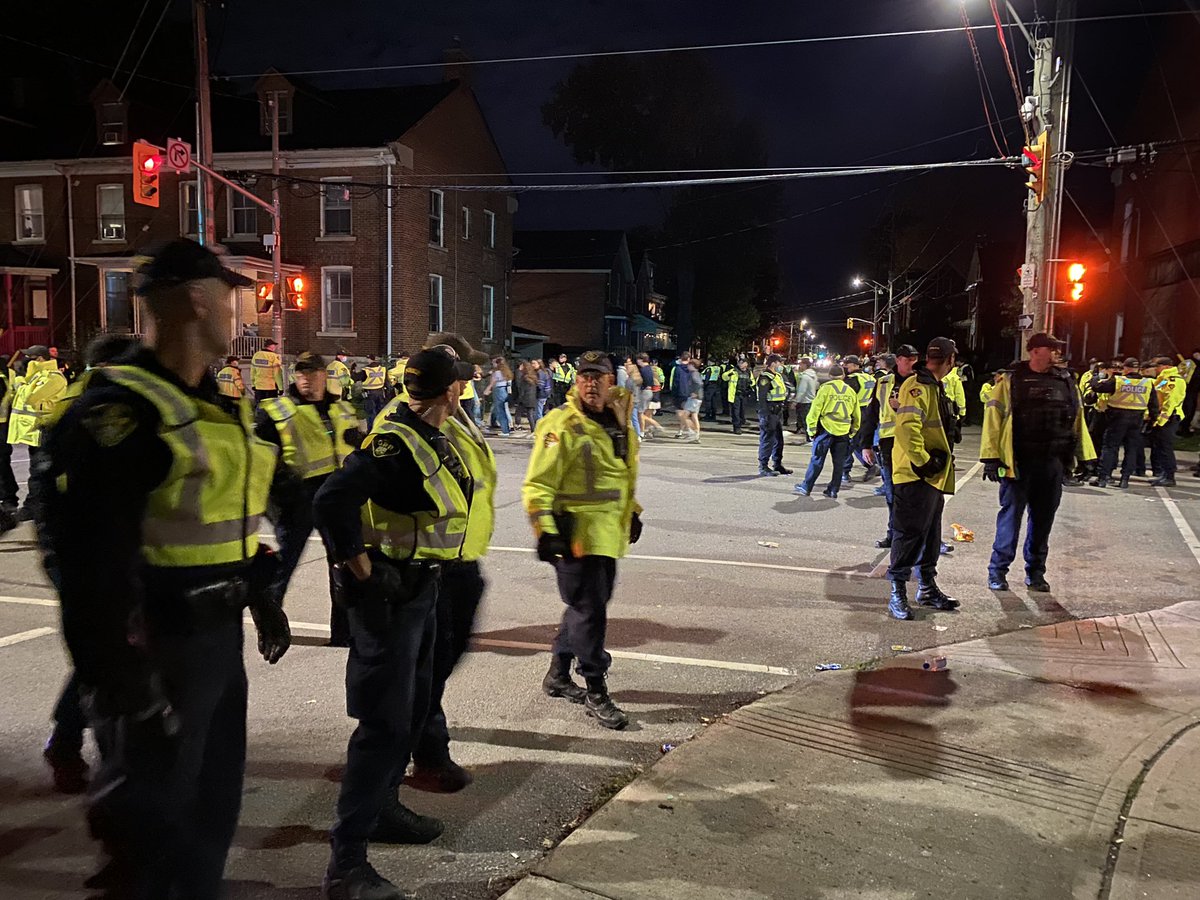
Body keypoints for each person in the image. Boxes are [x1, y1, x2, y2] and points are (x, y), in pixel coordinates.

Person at [33, 239, 290, 897]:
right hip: (157, 644)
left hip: (215, 638)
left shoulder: (214, 405)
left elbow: (222, 521)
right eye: (234, 296)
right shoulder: (123, 414)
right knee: (149, 831)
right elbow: (88, 565)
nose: (244, 311)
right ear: (199, 299)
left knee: (207, 819)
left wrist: (260, 595)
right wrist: (120, 682)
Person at [314, 347, 476, 900]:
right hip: (391, 598)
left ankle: (382, 810)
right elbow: (332, 499)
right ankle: (346, 863)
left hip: (423, 590)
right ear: (449, 389)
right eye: (460, 383)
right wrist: (360, 567)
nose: (465, 391)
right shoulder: (394, 441)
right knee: (383, 725)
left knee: (411, 709)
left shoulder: (430, 433)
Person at [40, 332, 141, 795]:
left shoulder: (91, 403)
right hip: (86, 553)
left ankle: (91, 746)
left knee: (109, 649)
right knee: (103, 652)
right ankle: (71, 743)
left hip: (93, 549)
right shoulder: (96, 411)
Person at [524, 350, 641, 731]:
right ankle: (595, 688)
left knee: (585, 607)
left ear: (612, 382)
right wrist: (546, 534)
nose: (591, 383)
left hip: (607, 534)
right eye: (584, 376)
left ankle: (558, 675)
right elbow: (537, 485)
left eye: (598, 376)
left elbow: (620, 474)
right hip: (574, 537)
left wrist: (633, 512)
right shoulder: (561, 425)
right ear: (576, 382)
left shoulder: (617, 420)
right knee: (590, 612)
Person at [407, 333, 496, 795]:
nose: (474, 377)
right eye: (466, 370)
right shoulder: (417, 422)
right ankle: (427, 754)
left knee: (438, 662)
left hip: (460, 561)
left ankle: (416, 742)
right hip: (433, 565)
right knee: (427, 669)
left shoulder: (456, 417)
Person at [256, 351, 362, 645]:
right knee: (284, 565)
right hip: (297, 499)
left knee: (342, 566)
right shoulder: (278, 411)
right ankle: (268, 621)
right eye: (300, 374)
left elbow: (355, 449)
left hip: (334, 498)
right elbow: (261, 458)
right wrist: (277, 491)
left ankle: (343, 633)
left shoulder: (341, 410)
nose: (306, 380)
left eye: (312, 374)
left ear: (323, 376)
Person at [982, 333, 1095, 593]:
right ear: (1033, 351)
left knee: (1043, 521)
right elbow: (993, 419)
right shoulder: (1011, 381)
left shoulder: (1066, 381)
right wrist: (990, 457)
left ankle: (1035, 572)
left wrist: (1084, 457)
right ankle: (997, 571)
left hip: (1053, 462)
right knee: (1010, 519)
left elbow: (1076, 419)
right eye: (1051, 349)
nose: (1056, 353)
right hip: (1019, 463)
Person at [883, 337, 961, 620]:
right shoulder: (917, 387)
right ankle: (898, 592)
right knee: (908, 535)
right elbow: (906, 431)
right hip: (915, 475)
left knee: (930, 535)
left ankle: (927, 587)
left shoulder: (932, 386)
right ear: (950, 360)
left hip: (931, 477)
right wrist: (925, 463)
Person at [860, 345, 919, 549]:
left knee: (917, 493)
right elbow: (872, 413)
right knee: (892, 493)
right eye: (909, 359)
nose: (913, 363)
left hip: (914, 443)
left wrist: (901, 408)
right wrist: (866, 444)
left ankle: (919, 536)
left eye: (915, 359)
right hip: (889, 443)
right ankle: (894, 534)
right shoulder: (883, 382)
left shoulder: (923, 381)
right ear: (899, 360)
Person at [6, 344, 68, 521]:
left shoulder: (53, 378)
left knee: (39, 473)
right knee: (39, 472)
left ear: (40, 359)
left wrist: (21, 382)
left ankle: (33, 508)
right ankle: (40, 507)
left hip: (44, 429)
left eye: (30, 358)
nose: (26, 361)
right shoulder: (36, 377)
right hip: (34, 432)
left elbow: (30, 398)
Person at [1089, 358, 1158, 489]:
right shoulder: (1147, 382)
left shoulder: (1118, 380)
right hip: (1137, 419)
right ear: (1137, 369)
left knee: (1110, 447)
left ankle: (1103, 478)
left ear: (1126, 368)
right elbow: (1153, 404)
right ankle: (1124, 479)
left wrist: (1095, 377)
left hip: (1117, 418)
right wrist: (1153, 420)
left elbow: (1097, 387)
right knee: (1131, 449)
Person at [794, 364, 859, 498]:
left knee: (817, 460)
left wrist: (811, 430)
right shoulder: (850, 391)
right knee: (839, 463)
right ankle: (833, 489)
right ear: (843, 375)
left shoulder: (825, 389)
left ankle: (807, 487)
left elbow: (814, 411)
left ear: (830, 375)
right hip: (843, 432)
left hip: (826, 430)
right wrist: (853, 431)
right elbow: (857, 415)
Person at [1148, 355, 1186, 486]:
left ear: (1167, 366)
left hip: (1170, 418)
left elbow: (1171, 402)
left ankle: (1170, 476)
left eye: (1158, 366)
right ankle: (1163, 474)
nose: (1155, 369)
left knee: (1166, 447)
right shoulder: (1163, 380)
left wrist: (1162, 420)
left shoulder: (1174, 380)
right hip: (1161, 418)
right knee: (1160, 447)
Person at [756, 354, 791, 476]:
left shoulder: (778, 376)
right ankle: (763, 466)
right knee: (767, 439)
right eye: (779, 362)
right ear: (773, 363)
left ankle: (777, 464)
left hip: (777, 411)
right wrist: (764, 414)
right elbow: (762, 397)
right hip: (769, 412)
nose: (781, 365)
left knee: (778, 440)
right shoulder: (765, 377)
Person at [0, 354, 17, 523]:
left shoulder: (3, 373)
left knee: (2, 461)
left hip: (2, 422)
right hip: (4, 421)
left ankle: (8, 499)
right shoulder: (8, 372)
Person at [723, 357, 755, 435]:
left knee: (742, 411)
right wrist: (729, 374)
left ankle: (740, 424)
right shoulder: (734, 370)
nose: (741, 364)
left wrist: (751, 383)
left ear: (746, 364)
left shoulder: (749, 372)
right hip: (735, 394)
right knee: (735, 411)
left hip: (744, 394)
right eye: (740, 363)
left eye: (743, 363)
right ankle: (737, 427)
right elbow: (724, 377)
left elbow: (753, 382)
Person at [484, 356, 513, 436]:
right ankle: (507, 428)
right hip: (504, 390)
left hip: (498, 390)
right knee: (503, 409)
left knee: (500, 410)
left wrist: (487, 390)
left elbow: (492, 382)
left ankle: (505, 430)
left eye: (494, 363)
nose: (493, 364)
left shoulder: (497, 372)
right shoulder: (506, 372)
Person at [792, 357, 818, 440]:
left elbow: (801, 391)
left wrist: (795, 402)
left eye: (801, 364)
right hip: (811, 400)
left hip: (804, 401)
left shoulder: (805, 377)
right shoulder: (813, 375)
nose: (799, 366)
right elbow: (817, 386)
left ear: (805, 365)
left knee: (805, 420)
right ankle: (809, 435)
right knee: (809, 419)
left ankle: (809, 437)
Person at [360, 354, 388, 426]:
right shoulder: (382, 369)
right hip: (380, 393)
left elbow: (356, 377)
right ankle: (380, 428)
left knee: (370, 413)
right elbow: (386, 381)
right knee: (380, 412)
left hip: (370, 394)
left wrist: (352, 370)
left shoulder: (366, 370)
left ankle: (371, 430)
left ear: (369, 359)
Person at [1178, 349, 1199, 436]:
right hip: (1186, 390)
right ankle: (1182, 429)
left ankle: (1185, 428)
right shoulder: (1188, 363)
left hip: (1194, 391)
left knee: (1191, 410)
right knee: (1187, 409)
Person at [700, 357, 723, 421]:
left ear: (710, 362)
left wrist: (704, 386)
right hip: (715, 385)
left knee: (708, 401)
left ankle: (707, 415)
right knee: (714, 401)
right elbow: (720, 377)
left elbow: (707, 378)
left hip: (709, 386)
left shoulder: (709, 369)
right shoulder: (718, 368)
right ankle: (713, 415)